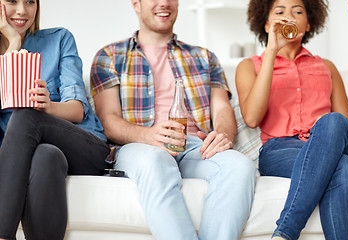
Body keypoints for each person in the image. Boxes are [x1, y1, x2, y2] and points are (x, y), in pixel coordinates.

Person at [90, 0, 256, 239]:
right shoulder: (109, 56)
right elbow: (108, 120)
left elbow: (222, 108)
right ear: (136, 4)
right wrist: (149, 135)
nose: (164, 3)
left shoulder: (204, 57)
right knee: (155, 160)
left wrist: (222, 135)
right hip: (139, 146)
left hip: (193, 146)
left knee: (240, 166)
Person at [235, 0, 348, 239]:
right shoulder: (251, 66)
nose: (289, 16)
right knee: (343, 168)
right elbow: (251, 118)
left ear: (309, 23)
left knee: (331, 122)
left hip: (329, 139)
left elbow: (347, 128)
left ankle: (285, 232)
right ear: (266, 23)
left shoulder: (327, 67)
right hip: (280, 150)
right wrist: (272, 51)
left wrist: (327, 137)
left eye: (298, 11)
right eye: (279, 12)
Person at [0, 0, 110, 239]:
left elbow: (77, 110)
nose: (22, 10)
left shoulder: (60, 39)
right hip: (40, 153)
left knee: (26, 113)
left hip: (85, 147)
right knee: (45, 155)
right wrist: (14, 46)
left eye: (30, 2)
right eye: (12, 1)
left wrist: (47, 107)